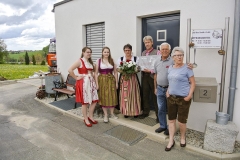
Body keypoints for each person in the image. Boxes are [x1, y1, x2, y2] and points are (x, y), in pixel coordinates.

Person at [165, 47, 195, 151]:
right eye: (177, 55)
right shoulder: (170, 68)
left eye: (181, 55)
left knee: (182, 121)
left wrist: (189, 95)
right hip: (171, 98)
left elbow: (193, 83)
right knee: (171, 120)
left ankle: (182, 137)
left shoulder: (187, 68)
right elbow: (171, 81)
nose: (180, 57)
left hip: (183, 99)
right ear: (173, 57)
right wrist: (168, 91)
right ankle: (171, 140)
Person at [68, 47, 99, 127]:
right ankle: (85, 118)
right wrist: (76, 77)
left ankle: (90, 116)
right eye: (87, 52)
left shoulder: (90, 62)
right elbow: (70, 69)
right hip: (83, 83)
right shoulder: (80, 61)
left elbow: (93, 73)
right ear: (83, 52)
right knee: (85, 102)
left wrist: (95, 83)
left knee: (94, 100)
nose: (89, 53)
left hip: (91, 82)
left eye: (90, 52)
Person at [95, 47, 118, 123]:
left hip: (111, 80)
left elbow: (115, 72)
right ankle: (105, 114)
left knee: (112, 96)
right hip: (102, 80)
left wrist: (116, 82)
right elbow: (95, 73)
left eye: (107, 52)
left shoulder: (112, 60)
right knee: (103, 96)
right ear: (102, 52)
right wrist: (97, 84)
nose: (106, 53)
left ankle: (111, 113)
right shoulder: (98, 61)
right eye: (105, 52)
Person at [154, 42, 173, 135]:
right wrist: (155, 87)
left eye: (166, 49)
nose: (164, 51)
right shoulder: (157, 61)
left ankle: (170, 127)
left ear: (169, 50)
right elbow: (155, 75)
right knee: (161, 108)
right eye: (163, 49)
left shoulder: (173, 61)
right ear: (160, 51)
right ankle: (162, 126)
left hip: (170, 90)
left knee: (170, 109)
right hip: (159, 89)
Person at [117, 44, 141, 118]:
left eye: (129, 50)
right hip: (124, 79)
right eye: (126, 50)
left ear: (131, 50)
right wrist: (124, 71)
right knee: (125, 95)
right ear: (124, 51)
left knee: (134, 95)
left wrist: (133, 70)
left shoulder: (136, 59)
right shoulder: (121, 59)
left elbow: (139, 68)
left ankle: (135, 112)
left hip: (133, 79)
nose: (127, 52)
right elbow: (118, 69)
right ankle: (125, 112)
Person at [139, 35, 159, 121]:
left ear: (152, 43)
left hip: (153, 76)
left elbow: (159, 65)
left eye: (148, 42)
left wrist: (151, 71)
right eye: (145, 43)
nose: (147, 44)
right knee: (145, 95)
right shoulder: (143, 53)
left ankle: (158, 115)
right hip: (145, 77)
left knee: (155, 96)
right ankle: (145, 112)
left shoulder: (157, 52)